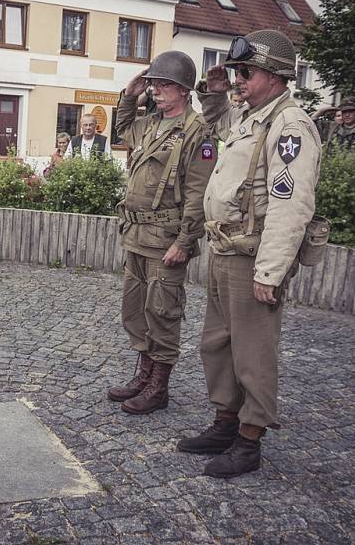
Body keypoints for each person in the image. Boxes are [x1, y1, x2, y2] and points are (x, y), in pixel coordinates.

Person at [178, 30, 321, 478]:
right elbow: (222, 132)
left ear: (277, 76)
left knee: (253, 352)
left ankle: (250, 438)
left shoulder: (290, 125)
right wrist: (218, 95)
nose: (239, 79)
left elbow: (291, 205)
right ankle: (225, 422)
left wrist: (270, 273)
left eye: (246, 72)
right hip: (226, 249)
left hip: (252, 259)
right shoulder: (251, 117)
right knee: (217, 345)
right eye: (238, 72)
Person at [108, 51, 216, 414]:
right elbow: (122, 129)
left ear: (184, 90)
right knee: (135, 309)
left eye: (164, 84)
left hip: (166, 240)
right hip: (136, 235)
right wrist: (129, 94)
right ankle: (143, 373)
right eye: (153, 84)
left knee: (163, 312)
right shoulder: (150, 124)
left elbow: (199, 193)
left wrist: (185, 243)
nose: (155, 90)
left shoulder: (196, 132)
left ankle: (159, 386)